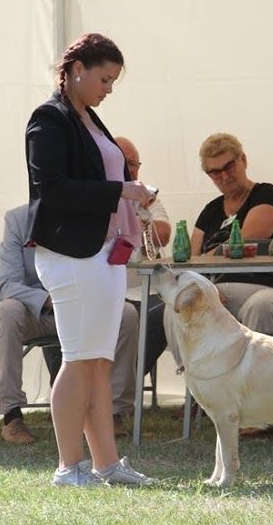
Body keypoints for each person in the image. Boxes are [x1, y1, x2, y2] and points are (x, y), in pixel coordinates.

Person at [25, 33, 156, 487]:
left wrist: (130, 197)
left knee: (98, 361)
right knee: (79, 360)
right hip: (71, 255)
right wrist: (122, 190)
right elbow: (52, 187)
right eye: (104, 78)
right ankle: (68, 466)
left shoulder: (89, 118)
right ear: (77, 69)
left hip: (103, 253)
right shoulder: (49, 118)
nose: (108, 88)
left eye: (113, 81)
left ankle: (105, 464)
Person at [0, 204, 141, 445]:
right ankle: (12, 416)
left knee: (126, 314)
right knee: (7, 310)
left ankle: (114, 412)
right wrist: (50, 300)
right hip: (36, 311)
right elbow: (7, 283)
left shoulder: (90, 218)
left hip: (80, 307)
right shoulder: (17, 220)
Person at [191, 132, 273, 335]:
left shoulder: (266, 194)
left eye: (229, 166)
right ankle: (191, 368)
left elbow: (238, 245)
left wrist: (205, 271)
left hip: (267, 287)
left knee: (260, 306)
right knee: (175, 311)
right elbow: (192, 262)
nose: (224, 176)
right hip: (218, 290)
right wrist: (204, 286)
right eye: (215, 172)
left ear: (243, 160)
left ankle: (260, 367)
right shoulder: (210, 210)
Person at [114, 136, 172, 376]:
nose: (128, 169)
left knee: (167, 311)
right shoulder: (96, 197)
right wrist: (139, 223)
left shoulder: (147, 196)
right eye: (122, 161)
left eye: (133, 163)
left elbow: (164, 233)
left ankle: (128, 383)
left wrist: (137, 221)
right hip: (108, 291)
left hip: (146, 292)